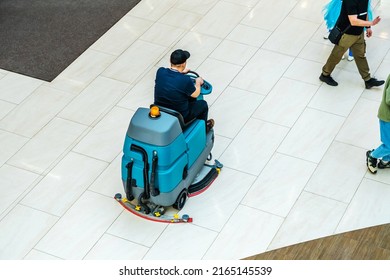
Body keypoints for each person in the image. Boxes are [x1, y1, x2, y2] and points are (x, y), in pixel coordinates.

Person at [319, 0, 384, 89]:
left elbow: (364, 12)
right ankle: (325, 74)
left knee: (360, 56)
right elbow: (353, 21)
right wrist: (371, 23)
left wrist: (368, 27)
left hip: (359, 33)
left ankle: (368, 80)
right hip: (347, 34)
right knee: (336, 55)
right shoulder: (350, 1)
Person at [154, 49, 214, 132]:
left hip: (161, 110)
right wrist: (198, 82)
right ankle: (203, 129)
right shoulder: (185, 80)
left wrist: (180, 73)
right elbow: (196, 94)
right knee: (203, 105)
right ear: (183, 64)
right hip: (180, 115)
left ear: (170, 61)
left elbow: (171, 79)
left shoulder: (160, 71)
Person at [366, 74, 390, 174]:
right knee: (389, 144)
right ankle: (372, 156)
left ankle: (385, 161)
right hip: (387, 117)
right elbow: (389, 100)